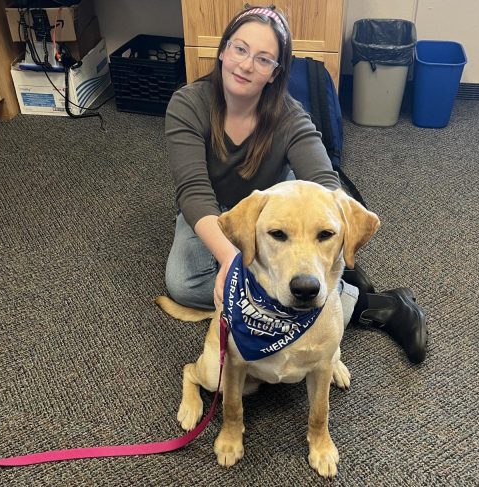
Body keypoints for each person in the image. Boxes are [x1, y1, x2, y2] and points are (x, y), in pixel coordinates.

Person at [164, 6, 428, 363]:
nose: (245, 65)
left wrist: (333, 232)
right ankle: (347, 290)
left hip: (276, 214)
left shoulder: (289, 115)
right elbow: (194, 192)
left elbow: (325, 183)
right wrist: (230, 259)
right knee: (183, 284)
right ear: (223, 50)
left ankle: (383, 306)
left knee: (269, 279)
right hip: (212, 207)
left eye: (263, 59)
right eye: (240, 49)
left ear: (275, 73)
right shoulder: (187, 103)